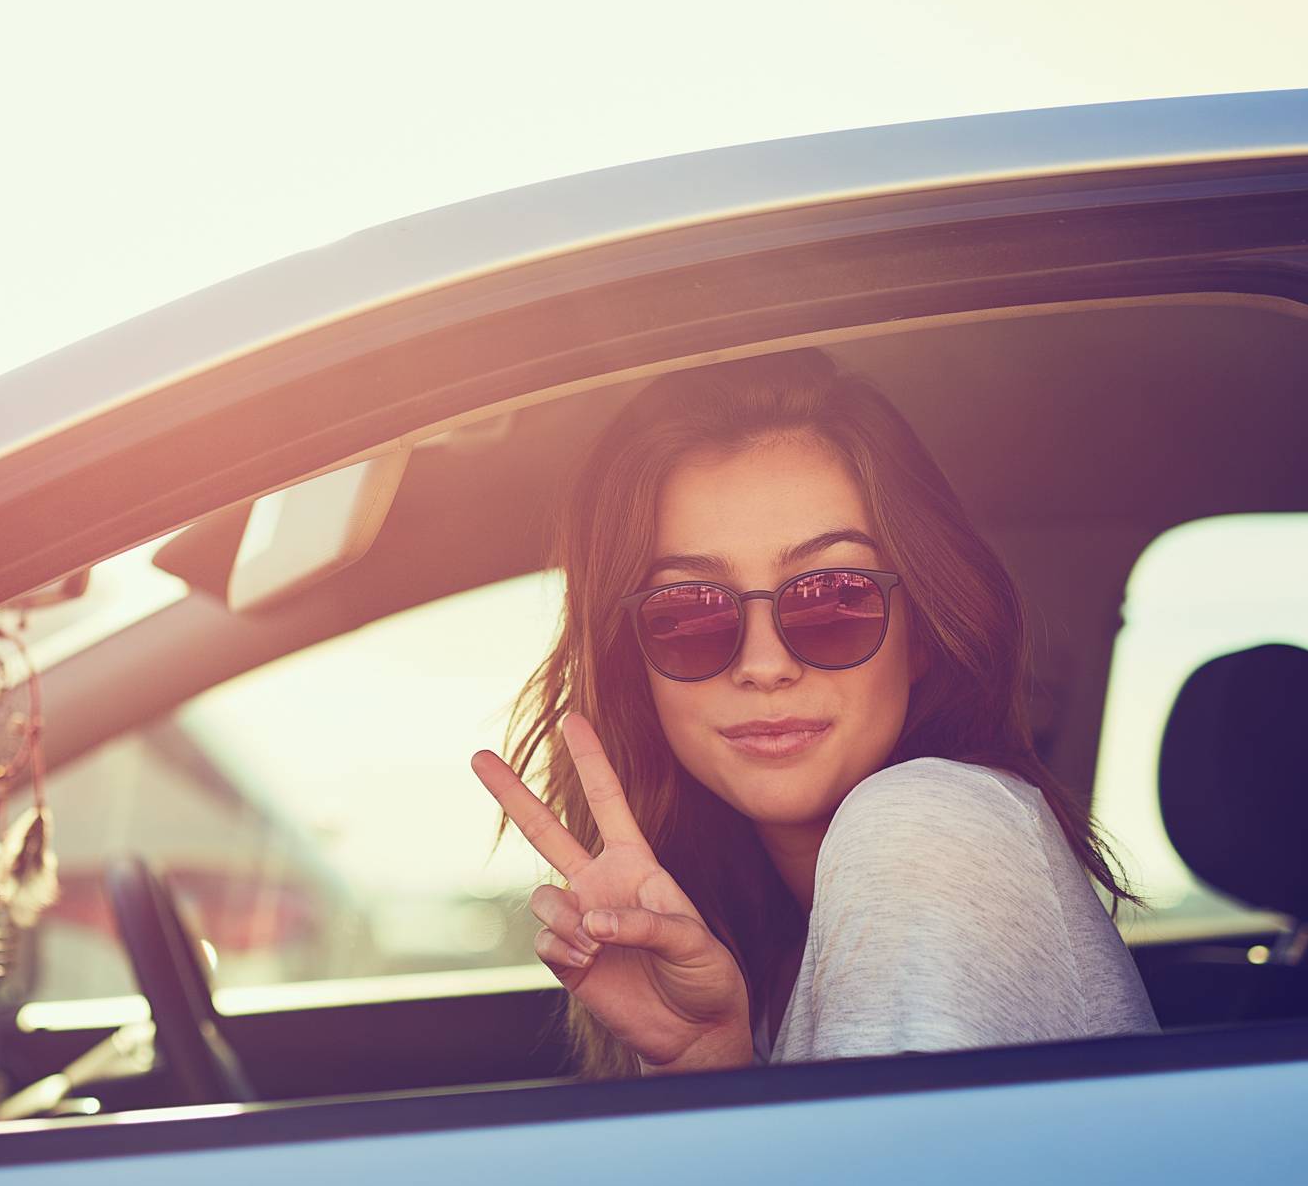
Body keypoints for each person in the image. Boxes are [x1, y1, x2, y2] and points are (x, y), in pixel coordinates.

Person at [469, 346, 1160, 1078]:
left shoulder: (928, 829)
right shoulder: (755, 955)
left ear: (920, 632)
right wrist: (707, 1064)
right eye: (689, 613)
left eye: (835, 598)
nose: (764, 665)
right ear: (636, 667)